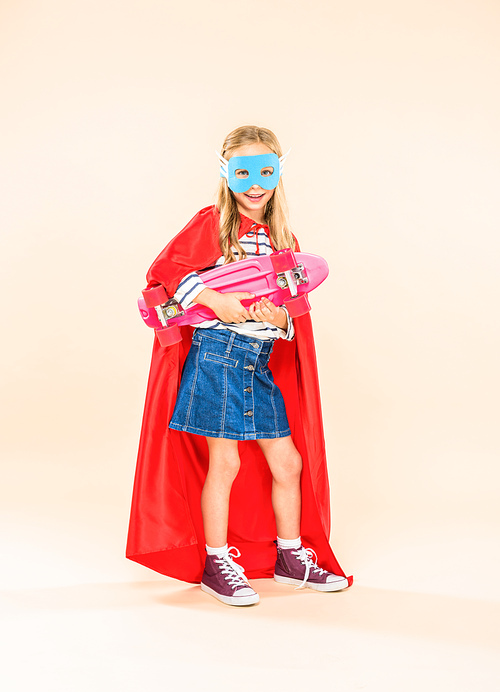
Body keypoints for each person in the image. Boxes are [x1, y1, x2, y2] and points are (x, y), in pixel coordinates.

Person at [126, 125, 352, 606]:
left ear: (278, 173)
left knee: (287, 462)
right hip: (216, 358)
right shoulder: (213, 223)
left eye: (265, 171)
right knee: (224, 463)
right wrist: (211, 297)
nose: (255, 183)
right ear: (226, 171)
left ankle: (291, 557)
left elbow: (290, 308)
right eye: (244, 171)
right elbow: (165, 276)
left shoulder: (283, 238)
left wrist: (278, 320)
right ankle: (216, 562)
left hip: (257, 361)